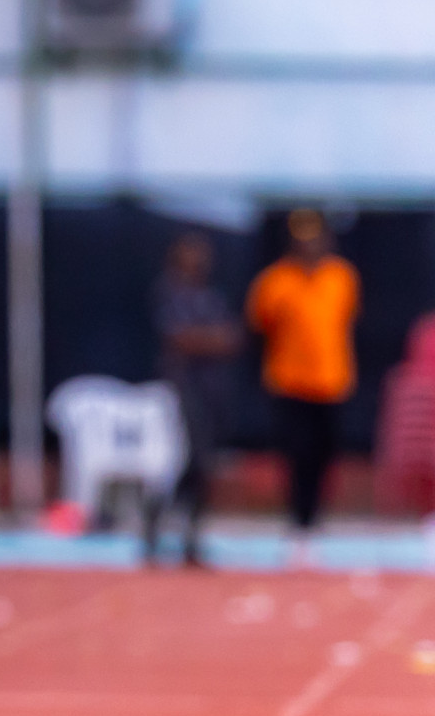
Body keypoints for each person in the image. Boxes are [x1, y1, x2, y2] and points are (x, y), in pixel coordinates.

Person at [246, 210, 360, 547]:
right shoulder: (276, 280)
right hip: (290, 382)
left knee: (325, 453)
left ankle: (316, 516)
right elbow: (259, 325)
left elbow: (346, 320)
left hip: (331, 380)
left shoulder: (341, 276)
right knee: (297, 452)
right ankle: (297, 519)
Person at [153, 233, 240, 566]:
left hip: (212, 390)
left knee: (205, 467)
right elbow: (180, 338)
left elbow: (232, 338)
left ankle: (191, 538)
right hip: (182, 390)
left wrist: (208, 339)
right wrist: (210, 339)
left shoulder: (211, 297)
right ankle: (156, 525)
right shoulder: (169, 293)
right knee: (185, 461)